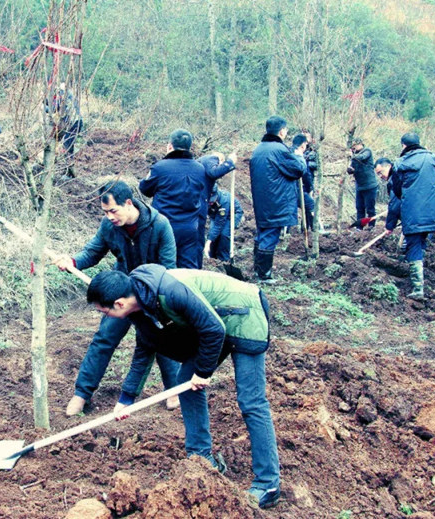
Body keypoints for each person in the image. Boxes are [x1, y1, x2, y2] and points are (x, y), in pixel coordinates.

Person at [87, 264, 280, 510]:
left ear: (120, 303)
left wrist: (203, 372)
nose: (105, 316)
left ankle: (268, 484)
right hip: (216, 321)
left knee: (251, 401)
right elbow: (145, 347)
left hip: (243, 314)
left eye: (104, 311)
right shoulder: (140, 306)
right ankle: (202, 460)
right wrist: (126, 398)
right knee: (185, 385)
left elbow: (214, 329)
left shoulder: (169, 291)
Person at [53, 181, 180, 416]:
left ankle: (173, 390)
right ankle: (81, 394)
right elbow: (93, 251)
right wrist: (73, 261)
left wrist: (152, 298)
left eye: (113, 211)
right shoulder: (109, 226)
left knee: (162, 341)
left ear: (128, 203)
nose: (110, 217)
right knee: (104, 339)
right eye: (105, 212)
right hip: (119, 294)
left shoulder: (160, 225)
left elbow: (168, 269)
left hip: (152, 293)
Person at [140, 130, 235, 269]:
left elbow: (145, 190)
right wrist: (230, 162)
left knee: (161, 267)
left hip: (163, 226)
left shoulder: (159, 167)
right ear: (190, 147)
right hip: (190, 229)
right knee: (188, 270)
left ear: (169, 146)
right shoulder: (199, 169)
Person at [387, 133, 435, 300]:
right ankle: (419, 274)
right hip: (433, 212)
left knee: (413, 245)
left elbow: (397, 190)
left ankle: (417, 289)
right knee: (421, 240)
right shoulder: (433, 159)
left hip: (412, 212)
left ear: (404, 146)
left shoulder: (400, 163)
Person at [249, 116, 306, 282]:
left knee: (262, 234)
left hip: (262, 201)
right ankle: (264, 275)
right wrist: (299, 156)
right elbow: (298, 169)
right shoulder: (280, 150)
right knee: (270, 236)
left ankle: (258, 270)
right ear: (282, 131)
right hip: (276, 201)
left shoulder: (259, 149)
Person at [50, 83, 83, 177]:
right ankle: (70, 172)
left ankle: (69, 173)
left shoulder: (63, 98)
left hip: (73, 123)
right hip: (77, 122)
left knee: (67, 147)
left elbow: (54, 109)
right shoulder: (70, 96)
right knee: (69, 147)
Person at [204, 184, 243, 262]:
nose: (210, 203)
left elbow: (219, 224)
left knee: (224, 234)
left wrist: (208, 242)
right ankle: (212, 258)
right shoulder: (203, 197)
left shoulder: (224, 200)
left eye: (212, 200)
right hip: (216, 214)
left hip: (232, 215)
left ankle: (224, 259)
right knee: (212, 233)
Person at [347, 138, 378, 229]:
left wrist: (352, 155)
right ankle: (359, 227)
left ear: (360, 144)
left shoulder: (367, 151)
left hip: (370, 185)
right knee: (359, 207)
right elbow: (352, 169)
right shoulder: (354, 156)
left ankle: (371, 226)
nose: (355, 148)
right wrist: (350, 170)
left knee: (370, 208)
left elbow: (362, 157)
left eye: (355, 145)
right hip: (359, 185)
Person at [292, 134, 316, 231]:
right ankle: (315, 229)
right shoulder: (298, 155)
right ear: (302, 145)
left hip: (285, 187)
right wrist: (310, 187)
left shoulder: (286, 152)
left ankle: (303, 229)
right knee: (310, 204)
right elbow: (305, 174)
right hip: (294, 188)